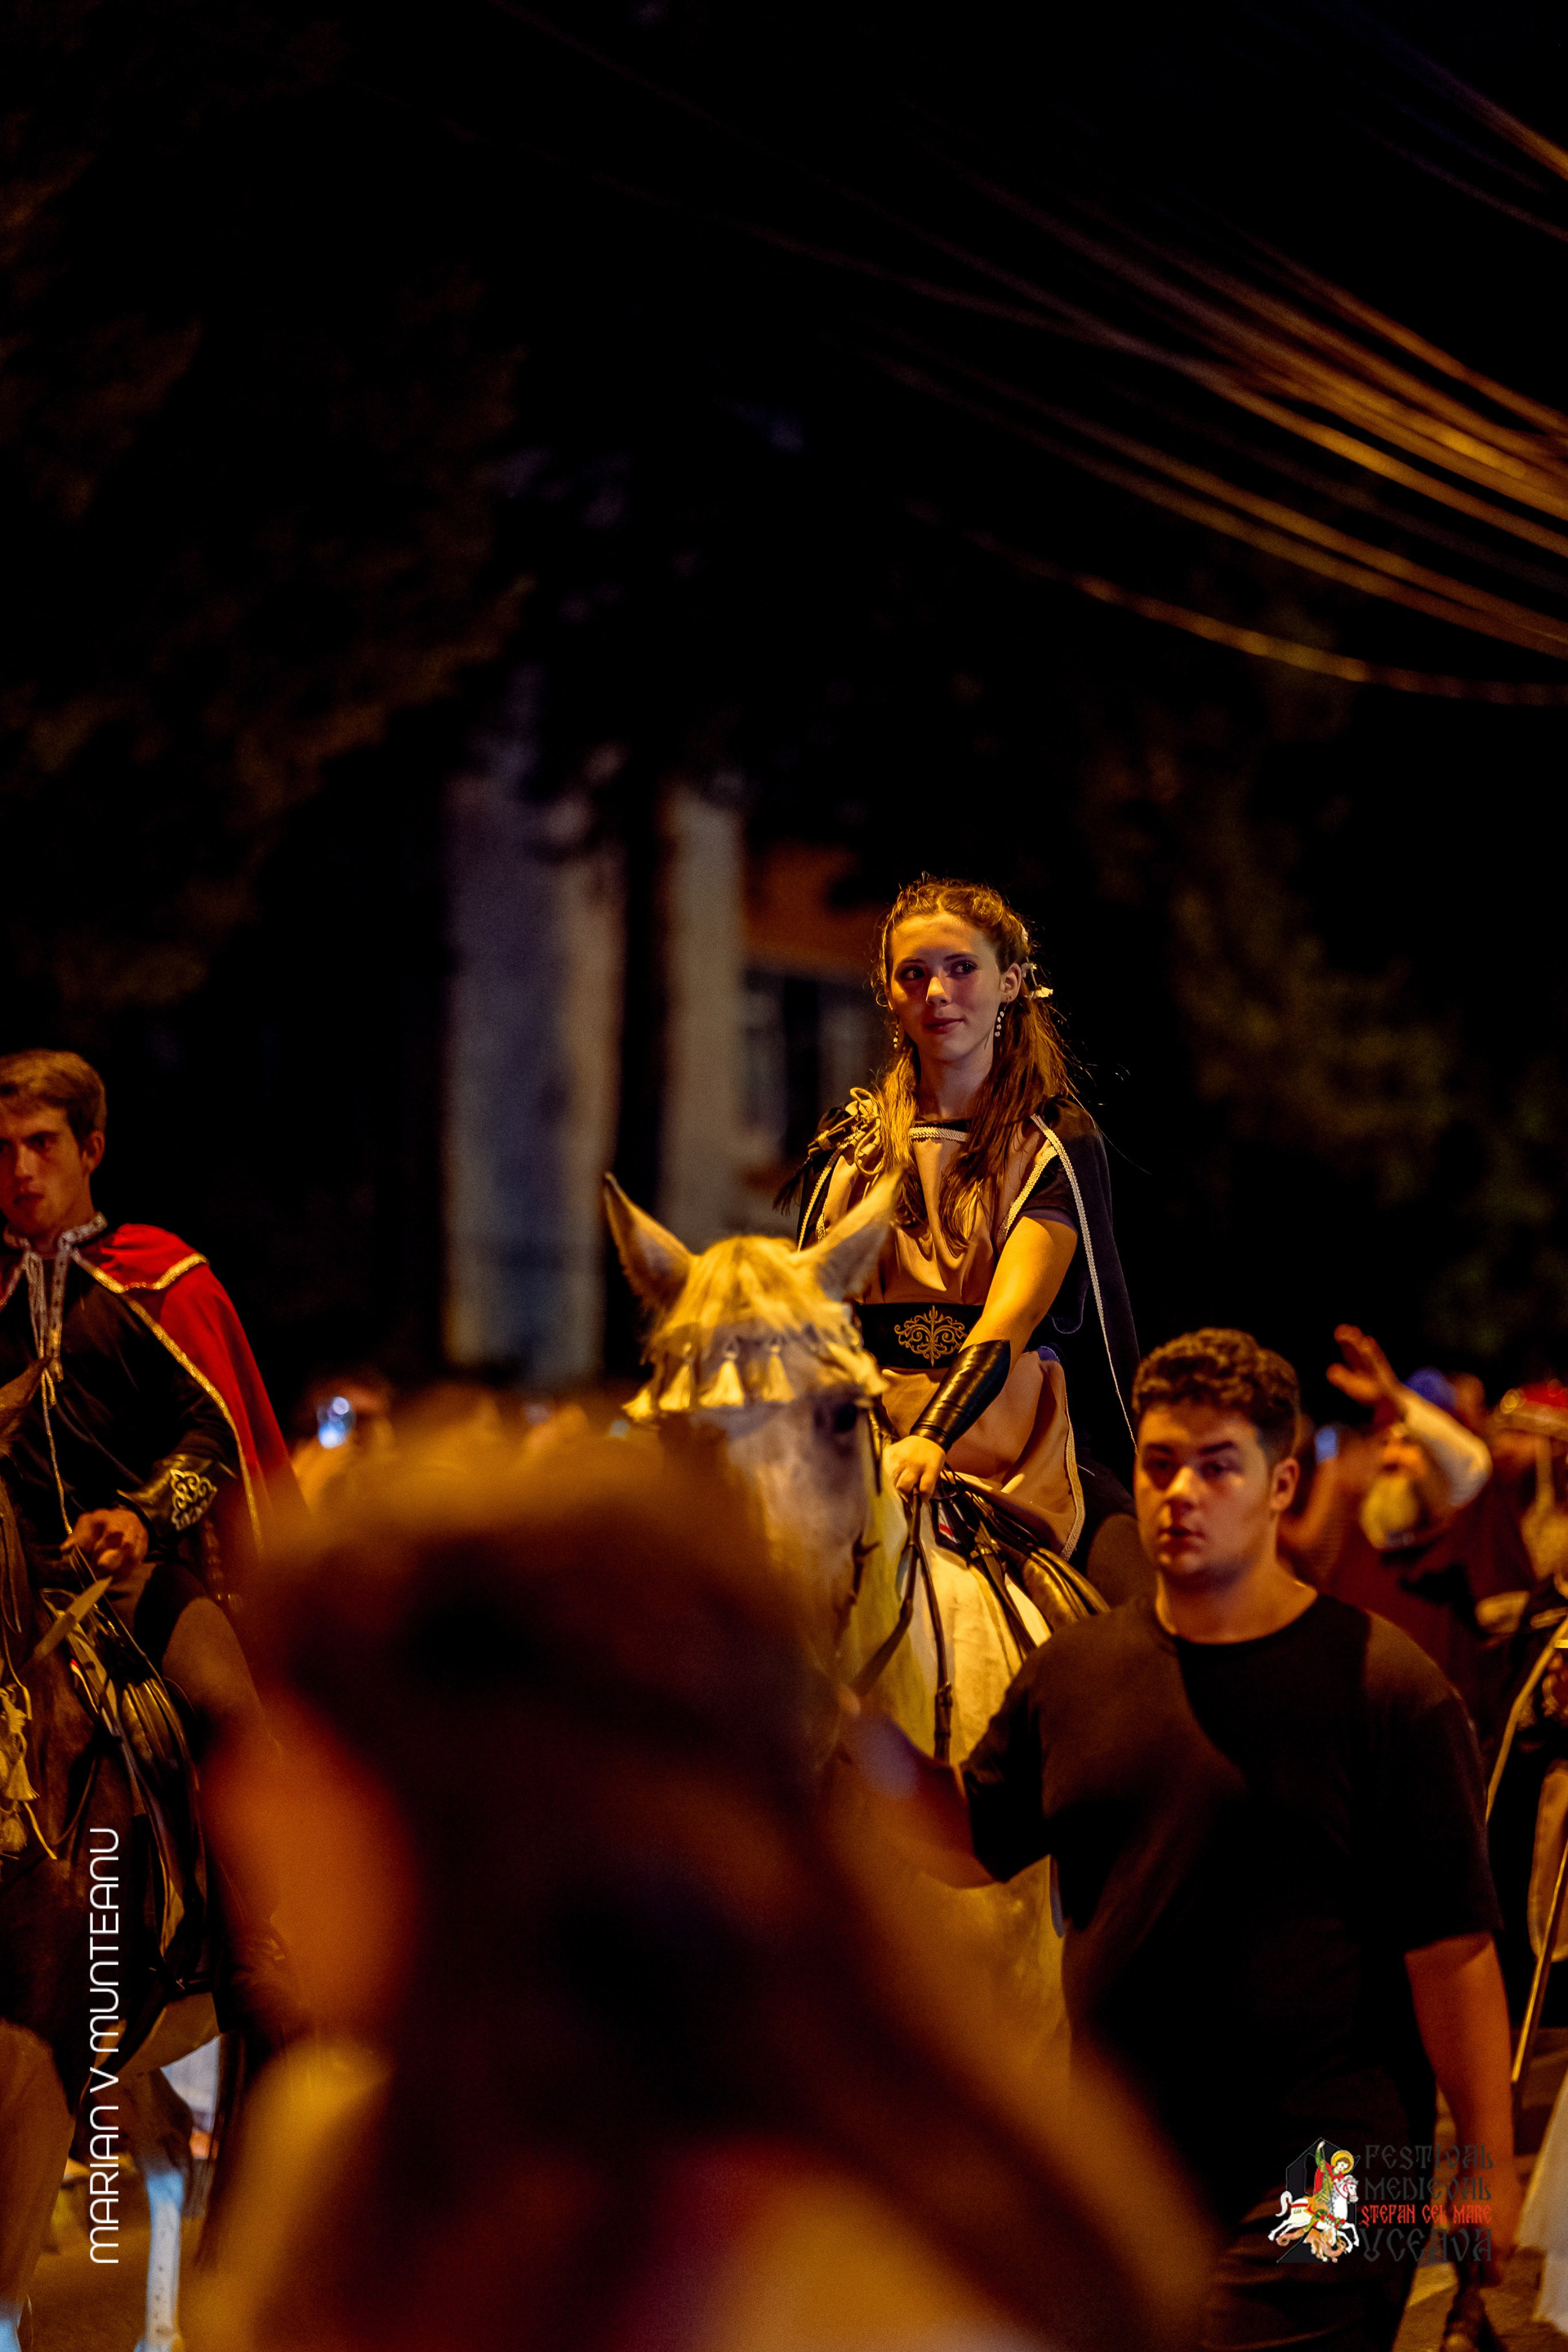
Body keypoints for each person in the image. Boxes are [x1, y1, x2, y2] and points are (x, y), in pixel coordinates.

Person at [192, 1437, 1206, 2352]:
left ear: (478, 1805)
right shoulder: (336, 2148)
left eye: (307, 1751)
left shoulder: (861, 2295)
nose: (242, 1801)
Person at [849, 1327, 1520, 2352]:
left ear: (1282, 1484)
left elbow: (1454, 1953)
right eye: (1161, 1464)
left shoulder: (1387, 1688)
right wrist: (849, 1728)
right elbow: (973, 1840)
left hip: (1346, 2171)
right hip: (1138, 2163)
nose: (1180, 1493)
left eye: (1217, 1467)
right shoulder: (1074, 1673)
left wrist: (1484, 2176)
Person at [789, 875, 1147, 1601]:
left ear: (1009, 983)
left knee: (1156, 1620)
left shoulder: (1052, 1143)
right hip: (867, 1452)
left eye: (961, 968)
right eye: (912, 974)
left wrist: (934, 1435)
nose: (936, 992)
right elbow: (811, 1322)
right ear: (889, 994)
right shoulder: (849, 1148)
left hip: (1021, 1452)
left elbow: (1008, 1320)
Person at [0, 1049, 295, 1765]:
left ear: (90, 1149)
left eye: (41, 1143)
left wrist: (142, 1517)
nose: (20, 1169)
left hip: (131, 1578)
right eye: (1, 1149)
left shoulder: (163, 1278)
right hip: (8, 1583)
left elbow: (214, 1435)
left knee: (238, 1729)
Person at [1303, 1327, 1532, 1753]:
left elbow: (1472, 1467)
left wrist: (1396, 1395)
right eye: (1384, 1443)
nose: (1392, 1457)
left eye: (1409, 1445)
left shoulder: (1470, 1535)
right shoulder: (1365, 1543)